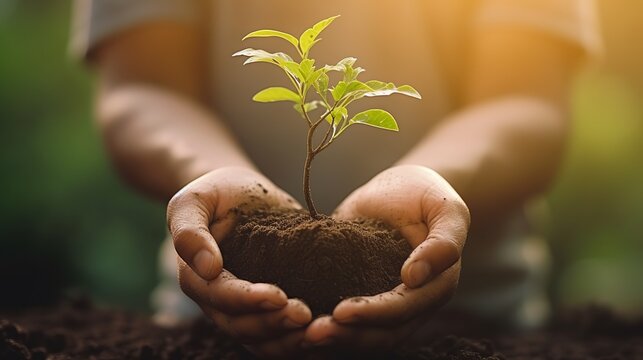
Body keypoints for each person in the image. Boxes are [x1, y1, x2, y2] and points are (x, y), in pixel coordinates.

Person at [71, 0, 600, 357]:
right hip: (209, 324)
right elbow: (142, 87)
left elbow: (526, 100)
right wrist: (206, 174)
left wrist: (432, 179)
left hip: (476, 326)